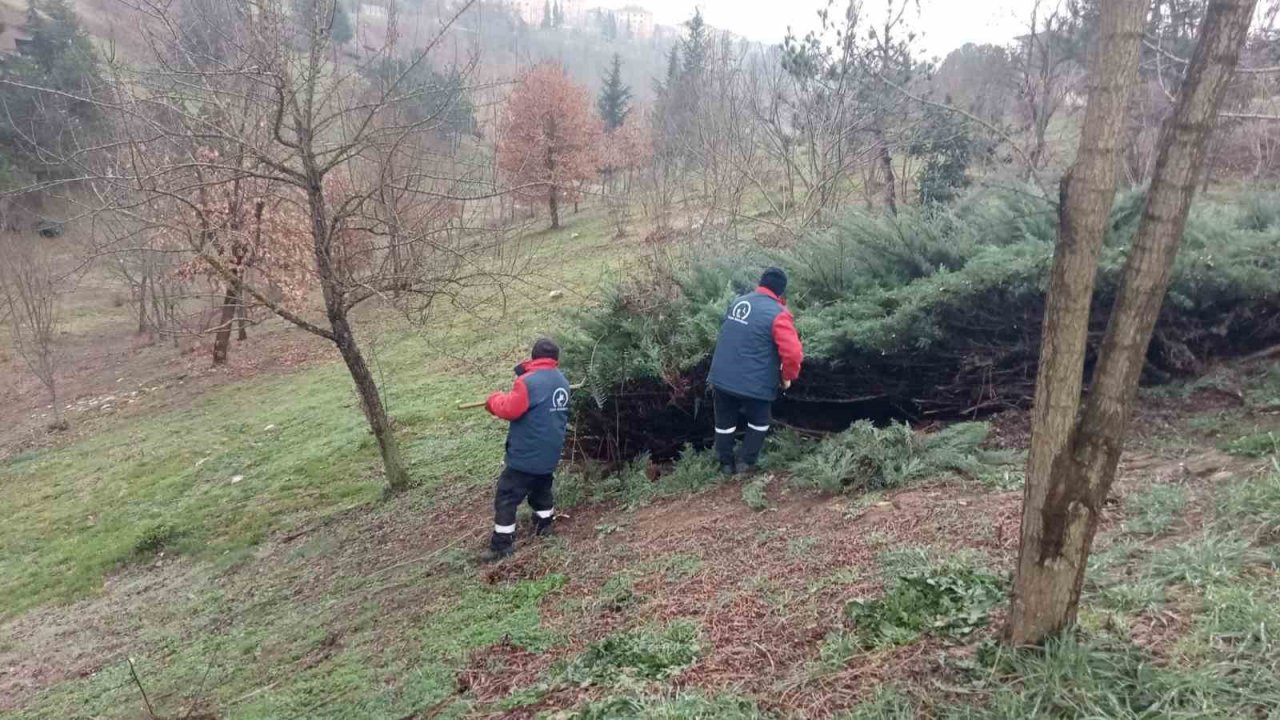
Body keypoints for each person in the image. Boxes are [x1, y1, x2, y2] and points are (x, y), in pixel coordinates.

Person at [480, 338, 572, 562]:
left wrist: (493, 400)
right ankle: (545, 526)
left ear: (534, 356)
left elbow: (510, 409)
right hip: (550, 452)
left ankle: (502, 545)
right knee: (541, 489)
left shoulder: (527, 382)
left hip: (526, 455)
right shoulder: (562, 381)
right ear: (556, 359)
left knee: (506, 496)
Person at [706, 267, 804, 475]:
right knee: (759, 421)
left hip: (721, 377)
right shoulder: (778, 314)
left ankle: (725, 465)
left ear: (760, 282)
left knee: (724, 422)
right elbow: (793, 353)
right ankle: (745, 463)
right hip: (755, 382)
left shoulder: (737, 302)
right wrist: (787, 376)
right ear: (781, 291)